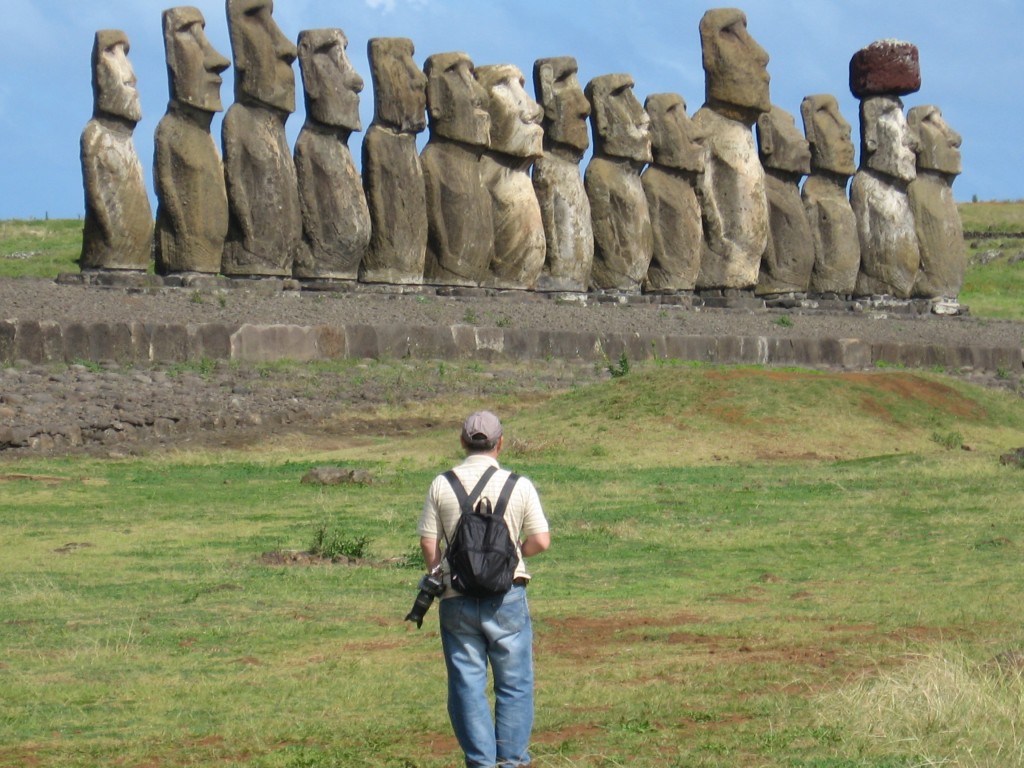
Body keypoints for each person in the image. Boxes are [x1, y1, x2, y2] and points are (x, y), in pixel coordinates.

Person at [418, 411, 551, 768]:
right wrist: (514, 555)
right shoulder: (518, 484)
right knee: (514, 684)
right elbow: (541, 539)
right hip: (506, 596)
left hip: (456, 597)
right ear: (500, 442)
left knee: (466, 685)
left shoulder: (441, 484)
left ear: (462, 442)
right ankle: (511, 761)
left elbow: (429, 544)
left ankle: (480, 762)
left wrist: (438, 572)